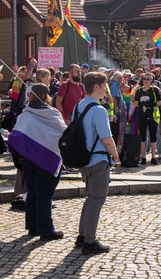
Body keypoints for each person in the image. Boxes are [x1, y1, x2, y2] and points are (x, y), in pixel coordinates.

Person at [9, 84, 66, 240]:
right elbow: (63, 134)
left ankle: (33, 227)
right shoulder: (53, 113)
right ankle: (46, 230)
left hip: (28, 159)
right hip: (47, 159)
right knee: (44, 194)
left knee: (33, 192)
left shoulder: (25, 114)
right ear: (47, 96)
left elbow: (15, 135)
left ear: (31, 96)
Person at [75, 72, 119, 255]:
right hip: (98, 160)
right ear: (96, 87)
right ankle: (90, 242)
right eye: (104, 86)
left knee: (90, 198)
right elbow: (107, 138)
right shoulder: (99, 110)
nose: (106, 89)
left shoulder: (79, 106)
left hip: (83, 158)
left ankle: (82, 236)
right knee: (96, 200)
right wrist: (116, 156)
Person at [133, 72, 161, 165]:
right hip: (142, 115)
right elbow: (136, 102)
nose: (145, 81)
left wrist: (150, 105)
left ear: (152, 80)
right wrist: (142, 104)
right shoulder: (139, 90)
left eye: (148, 79)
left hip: (152, 114)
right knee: (142, 136)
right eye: (144, 79)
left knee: (153, 136)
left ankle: (153, 157)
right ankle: (143, 157)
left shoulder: (155, 90)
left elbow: (159, 102)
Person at [108, 71, 125, 145]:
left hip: (113, 110)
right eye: (121, 78)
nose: (122, 80)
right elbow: (114, 97)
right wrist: (116, 107)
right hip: (114, 110)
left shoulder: (113, 83)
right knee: (115, 129)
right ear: (118, 78)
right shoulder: (114, 84)